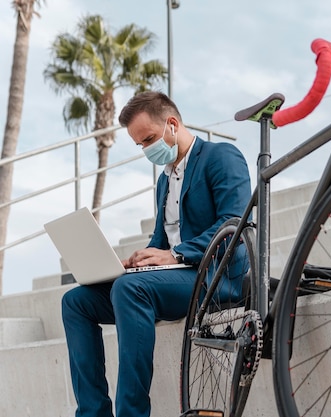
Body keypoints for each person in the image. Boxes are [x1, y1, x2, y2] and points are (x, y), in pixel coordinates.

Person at [61, 91, 251, 417]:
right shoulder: (165, 182)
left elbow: (234, 225)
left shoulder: (221, 156)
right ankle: (92, 412)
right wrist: (138, 261)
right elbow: (161, 242)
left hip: (218, 277)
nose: (147, 150)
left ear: (172, 125)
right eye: (140, 145)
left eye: (149, 139)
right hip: (176, 279)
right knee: (76, 302)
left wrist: (175, 254)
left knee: (130, 289)